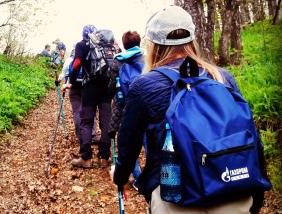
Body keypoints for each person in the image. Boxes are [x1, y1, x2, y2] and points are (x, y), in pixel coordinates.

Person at [113, 6, 258, 213]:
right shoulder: (221, 77)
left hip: (175, 196)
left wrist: (120, 178)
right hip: (233, 189)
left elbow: (128, 145)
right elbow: (252, 136)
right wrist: (256, 193)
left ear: (153, 45)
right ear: (192, 39)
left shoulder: (144, 85)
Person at [63, 25, 112, 168]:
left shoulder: (81, 45)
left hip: (89, 88)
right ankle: (104, 157)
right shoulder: (106, 44)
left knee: (86, 122)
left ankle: (86, 158)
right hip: (106, 87)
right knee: (106, 122)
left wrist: (71, 81)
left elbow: (76, 64)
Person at [108, 31, 145, 187]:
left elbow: (111, 86)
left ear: (124, 44)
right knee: (147, 137)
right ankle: (152, 175)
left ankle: (137, 176)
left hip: (123, 104)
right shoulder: (146, 58)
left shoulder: (117, 62)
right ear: (139, 43)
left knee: (129, 140)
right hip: (145, 102)